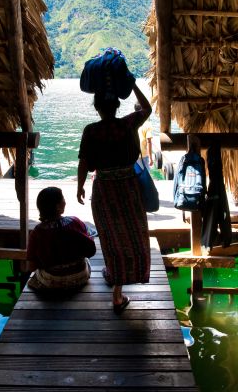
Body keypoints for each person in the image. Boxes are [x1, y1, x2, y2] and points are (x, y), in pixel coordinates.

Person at [77, 83, 152, 315]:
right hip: (128, 188)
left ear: (97, 107)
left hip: (105, 191)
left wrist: (79, 186)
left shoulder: (91, 131)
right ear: (117, 105)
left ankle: (116, 284)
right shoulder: (127, 124)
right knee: (134, 233)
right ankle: (128, 280)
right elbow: (147, 109)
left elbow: (83, 163)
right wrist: (133, 85)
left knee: (110, 237)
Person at [26, 187, 96, 291]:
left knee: (33, 278)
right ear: (58, 207)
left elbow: (31, 266)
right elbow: (91, 251)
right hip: (80, 276)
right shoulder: (74, 222)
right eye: (63, 199)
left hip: (52, 280)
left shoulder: (37, 231)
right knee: (85, 260)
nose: (65, 202)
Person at [136, 103, 153, 168]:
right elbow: (149, 142)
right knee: (145, 175)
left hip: (134, 155)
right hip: (144, 155)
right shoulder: (147, 124)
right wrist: (151, 158)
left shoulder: (133, 122)